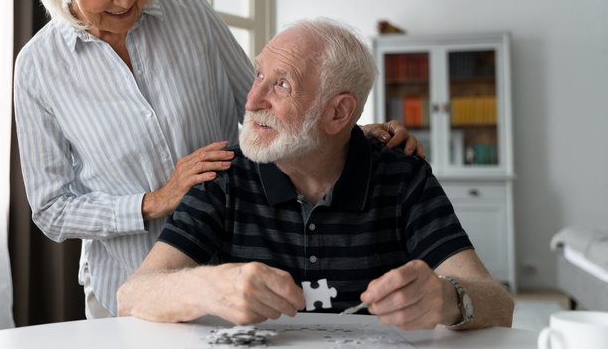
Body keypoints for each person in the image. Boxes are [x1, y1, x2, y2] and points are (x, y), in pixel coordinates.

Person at [14, 0, 422, 318]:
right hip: (124, 284)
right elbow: (52, 210)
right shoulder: (37, 67)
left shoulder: (192, 17)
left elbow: (267, 110)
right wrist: (153, 202)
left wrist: (343, 134)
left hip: (231, 276)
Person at [117, 17, 514, 330]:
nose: (252, 100)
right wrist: (207, 287)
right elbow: (132, 296)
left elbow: (498, 302)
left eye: (282, 85)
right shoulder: (223, 173)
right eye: (259, 75)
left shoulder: (403, 174)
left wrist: (447, 299)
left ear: (338, 113)